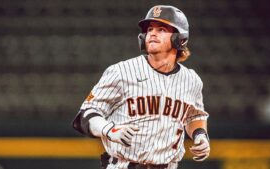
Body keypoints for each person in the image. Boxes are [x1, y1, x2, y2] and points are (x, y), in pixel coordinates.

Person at [73, 5, 210, 169]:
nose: (152, 33)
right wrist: (109, 130)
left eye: (161, 29)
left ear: (180, 38)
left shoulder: (191, 80)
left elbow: (194, 116)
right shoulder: (121, 71)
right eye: (150, 29)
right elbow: (85, 114)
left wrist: (200, 135)